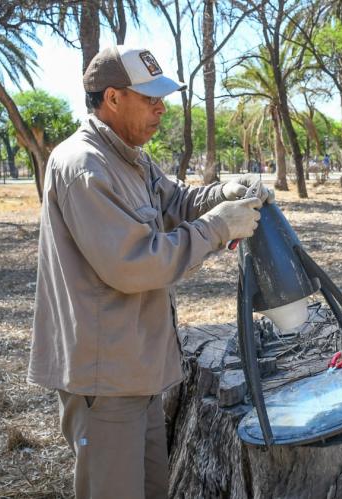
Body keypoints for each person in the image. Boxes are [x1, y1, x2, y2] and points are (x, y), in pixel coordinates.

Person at [28, 45, 273, 499]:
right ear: (113, 99)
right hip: (104, 378)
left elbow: (176, 202)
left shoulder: (129, 157)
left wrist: (225, 192)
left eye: (163, 97)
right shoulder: (85, 166)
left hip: (136, 368)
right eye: (150, 98)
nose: (161, 108)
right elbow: (136, 263)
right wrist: (219, 227)